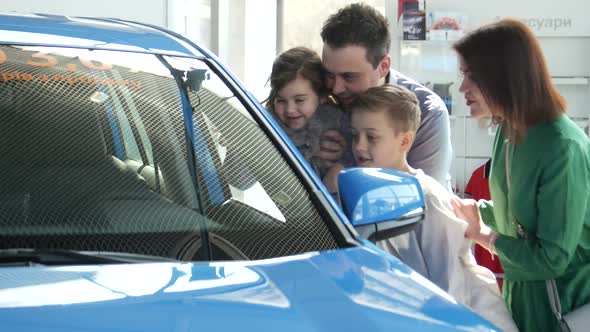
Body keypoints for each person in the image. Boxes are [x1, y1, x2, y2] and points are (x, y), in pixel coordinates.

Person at [450, 19, 590, 332]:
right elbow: (518, 217)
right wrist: (466, 210)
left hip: (563, 307)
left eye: (472, 76)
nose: (462, 88)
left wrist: (482, 235)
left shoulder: (561, 147)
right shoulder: (509, 132)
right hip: (523, 298)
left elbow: (550, 258)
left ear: (505, 78)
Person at [344, 84, 517, 331]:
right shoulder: (371, 192)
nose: (359, 146)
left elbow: (448, 285)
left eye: (371, 137)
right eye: (355, 135)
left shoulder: (428, 197)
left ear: (404, 141)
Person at [319, 2, 452, 188]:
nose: (336, 89)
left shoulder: (428, 113)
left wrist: (345, 166)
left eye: (349, 76)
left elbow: (422, 200)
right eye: (329, 75)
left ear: (383, 66)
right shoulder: (320, 98)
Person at [264, 46, 352, 180]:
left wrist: (344, 160)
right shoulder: (265, 126)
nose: (290, 109)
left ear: (321, 95)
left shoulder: (338, 122)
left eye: (299, 100)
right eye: (281, 100)